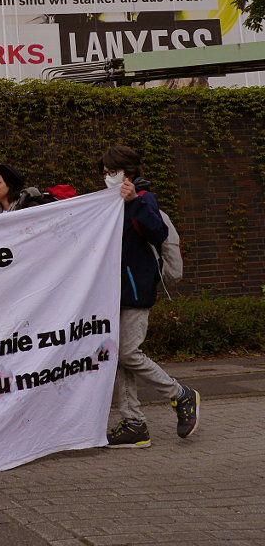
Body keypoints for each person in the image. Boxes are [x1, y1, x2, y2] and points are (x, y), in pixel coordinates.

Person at [100, 145, 199, 448]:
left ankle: (180, 394)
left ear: (126, 173)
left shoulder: (144, 200)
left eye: (110, 172)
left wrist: (134, 203)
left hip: (136, 290)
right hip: (115, 292)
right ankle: (134, 423)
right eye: (103, 172)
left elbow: (156, 232)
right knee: (120, 358)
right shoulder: (111, 203)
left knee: (129, 353)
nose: (105, 177)